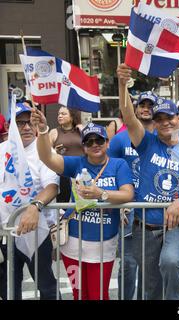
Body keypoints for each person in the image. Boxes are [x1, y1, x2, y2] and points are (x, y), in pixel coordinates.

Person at [117, 63, 179, 300]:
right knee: (150, 288)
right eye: (160, 119)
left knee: (171, 262)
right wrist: (122, 84)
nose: (166, 122)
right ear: (154, 123)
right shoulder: (146, 143)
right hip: (143, 229)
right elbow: (127, 115)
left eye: (170, 117)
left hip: (175, 228)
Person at [31, 111, 134, 300]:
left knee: (98, 295)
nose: (95, 145)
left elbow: (128, 194)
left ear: (107, 143)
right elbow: (47, 157)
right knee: (79, 294)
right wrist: (43, 130)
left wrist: (101, 194)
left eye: (99, 140)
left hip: (103, 243)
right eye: (89, 142)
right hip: (72, 243)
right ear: (84, 147)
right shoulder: (76, 163)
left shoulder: (119, 165)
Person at [0, 102, 60, 300]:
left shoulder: (44, 150)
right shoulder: (1, 151)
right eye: (20, 123)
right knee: (8, 289)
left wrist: (34, 207)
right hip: (5, 233)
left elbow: (52, 186)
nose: (26, 127)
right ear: (10, 128)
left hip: (36, 232)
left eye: (30, 122)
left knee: (47, 287)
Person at [107, 90, 156, 300]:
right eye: (142, 105)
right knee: (127, 264)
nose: (146, 108)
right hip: (126, 209)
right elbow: (109, 170)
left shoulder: (161, 138)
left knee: (149, 266)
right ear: (134, 109)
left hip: (153, 211)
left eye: (150, 105)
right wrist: (119, 199)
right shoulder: (119, 140)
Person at [49, 106, 84, 203]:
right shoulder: (53, 132)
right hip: (62, 173)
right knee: (63, 204)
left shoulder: (82, 130)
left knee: (82, 202)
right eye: (59, 114)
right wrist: (54, 152)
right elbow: (46, 153)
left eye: (63, 114)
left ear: (72, 116)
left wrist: (84, 130)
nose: (60, 116)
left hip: (81, 173)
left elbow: (92, 146)